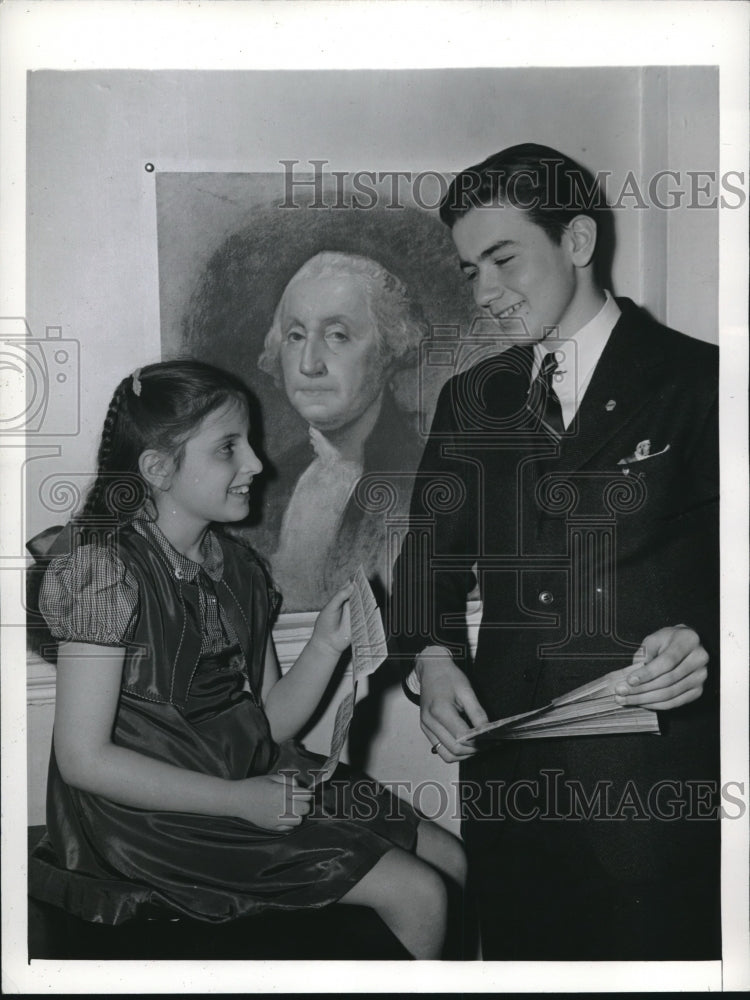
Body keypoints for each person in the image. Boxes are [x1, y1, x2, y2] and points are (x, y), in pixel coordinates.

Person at [390, 144, 720, 960]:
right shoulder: (470, 401)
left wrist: (708, 638)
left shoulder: (704, 383)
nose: (488, 293)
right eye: (471, 271)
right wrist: (431, 659)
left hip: (655, 788)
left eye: (504, 260)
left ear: (576, 242)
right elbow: (427, 556)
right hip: (507, 786)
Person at [27, 359, 466, 960]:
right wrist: (241, 802)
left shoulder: (235, 568)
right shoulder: (101, 571)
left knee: (453, 858)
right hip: (147, 819)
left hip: (244, 778)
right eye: (228, 448)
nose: (257, 463)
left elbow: (269, 723)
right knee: (418, 894)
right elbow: (83, 761)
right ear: (157, 469)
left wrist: (324, 646)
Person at [236, 251, 426, 611]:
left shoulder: (426, 483)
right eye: (295, 335)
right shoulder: (263, 485)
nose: (309, 364)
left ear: (390, 348)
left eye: (337, 335)